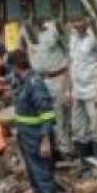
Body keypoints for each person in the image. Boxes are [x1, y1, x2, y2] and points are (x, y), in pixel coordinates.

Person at [9, 49, 59, 193]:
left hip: (37, 137)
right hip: (26, 137)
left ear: (15, 66)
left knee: (43, 176)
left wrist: (45, 140)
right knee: (34, 177)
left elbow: (46, 113)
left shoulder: (34, 83)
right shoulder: (21, 82)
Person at [21, 18, 72, 157]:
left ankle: (65, 149)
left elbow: (70, 54)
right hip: (39, 80)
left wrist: (67, 86)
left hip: (57, 77)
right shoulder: (25, 30)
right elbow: (25, 52)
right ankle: (51, 148)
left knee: (61, 115)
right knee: (43, 116)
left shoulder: (55, 28)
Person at [66, 15, 97, 173]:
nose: (76, 24)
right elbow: (71, 63)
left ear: (87, 19)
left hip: (92, 88)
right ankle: (84, 164)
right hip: (77, 90)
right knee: (79, 129)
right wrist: (69, 89)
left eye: (79, 20)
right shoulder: (72, 37)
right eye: (74, 21)